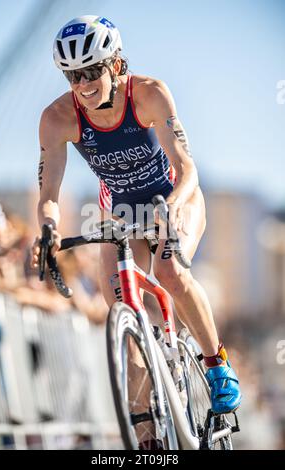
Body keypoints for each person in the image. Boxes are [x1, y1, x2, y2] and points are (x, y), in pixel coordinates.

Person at [31, 15, 241, 420]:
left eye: (92, 70)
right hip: (121, 213)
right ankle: (146, 434)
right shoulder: (57, 118)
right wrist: (49, 228)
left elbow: (187, 167)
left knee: (170, 273)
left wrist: (175, 206)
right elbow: (48, 195)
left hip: (175, 197)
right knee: (122, 317)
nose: (84, 84)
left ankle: (216, 364)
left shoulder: (148, 94)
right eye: (73, 76)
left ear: (115, 64)